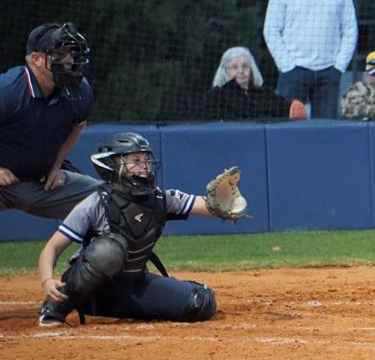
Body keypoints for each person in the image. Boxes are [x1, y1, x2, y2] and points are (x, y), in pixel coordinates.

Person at [37, 132, 231, 327]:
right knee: (108, 251)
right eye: (135, 160)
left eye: (146, 159)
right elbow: (52, 247)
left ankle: (122, 305)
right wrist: (47, 281)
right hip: (92, 289)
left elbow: (206, 206)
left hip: (133, 282)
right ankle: (56, 308)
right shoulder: (96, 203)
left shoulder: (159, 198)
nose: (145, 165)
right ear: (113, 164)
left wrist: (224, 202)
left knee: (200, 302)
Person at [0, 22, 102, 220]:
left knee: (111, 202)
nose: (69, 60)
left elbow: (79, 124)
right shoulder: (8, 90)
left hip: (39, 184)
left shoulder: (79, 91)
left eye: (71, 53)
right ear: (36, 59)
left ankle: (97, 252)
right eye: (60, 53)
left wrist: (56, 165)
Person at [263, 0, 358, 119]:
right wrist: (287, 65)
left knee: (326, 131)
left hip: (328, 72)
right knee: (287, 128)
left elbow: (350, 29)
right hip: (293, 71)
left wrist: (339, 65)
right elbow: (271, 29)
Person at [203, 46, 307, 120]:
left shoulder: (266, 95)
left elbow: (287, 109)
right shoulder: (215, 97)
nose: (240, 71)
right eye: (234, 67)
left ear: (252, 69)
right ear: (225, 71)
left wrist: (295, 108)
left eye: (245, 66)